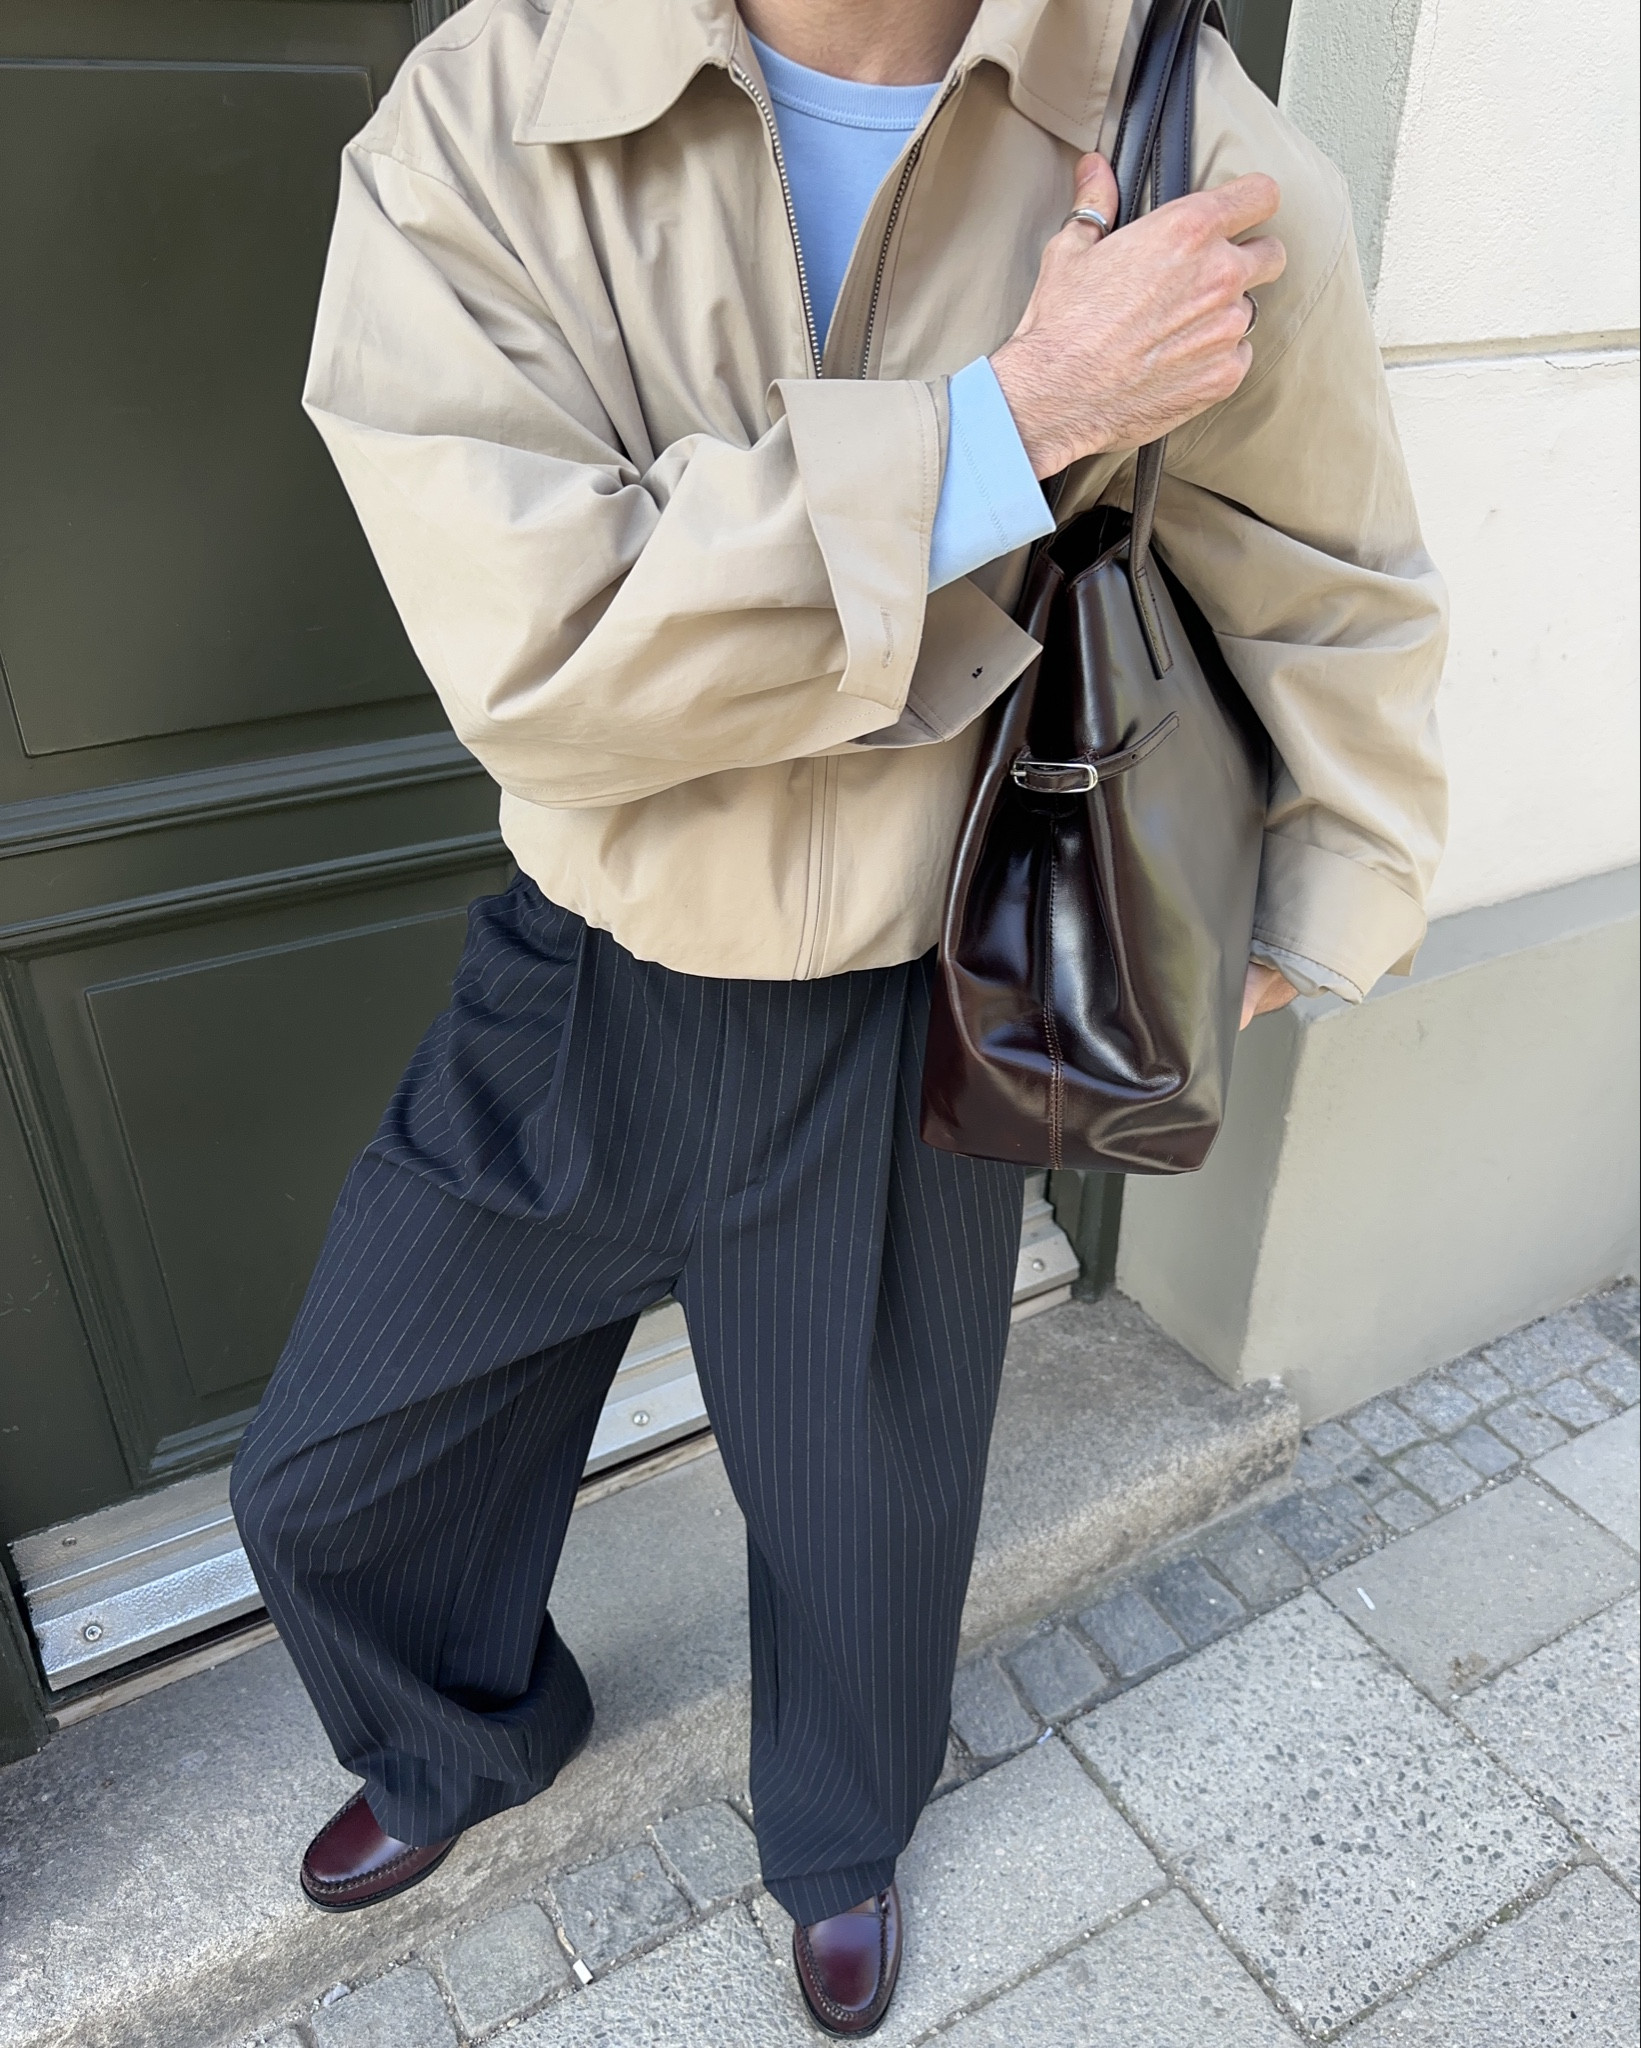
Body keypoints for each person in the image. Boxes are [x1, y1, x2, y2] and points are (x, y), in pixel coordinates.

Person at [230, 0, 1446, 2033]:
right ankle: (457, 1735)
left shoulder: (1168, 119)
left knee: (867, 1510)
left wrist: (1318, 897)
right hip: (587, 966)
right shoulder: (493, 104)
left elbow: (1322, 557)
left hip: (907, 992)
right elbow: (541, 642)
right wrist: (1008, 421)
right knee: (332, 1467)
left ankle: (837, 1836)